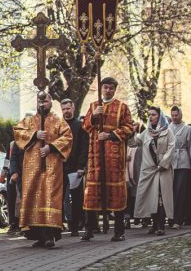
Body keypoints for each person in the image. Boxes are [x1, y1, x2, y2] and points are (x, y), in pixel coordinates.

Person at [13, 90, 73, 247]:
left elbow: (67, 138)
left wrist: (51, 147)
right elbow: (18, 133)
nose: (42, 104)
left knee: (50, 198)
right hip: (32, 167)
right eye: (40, 101)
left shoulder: (59, 121)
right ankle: (38, 235)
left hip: (52, 167)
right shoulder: (29, 120)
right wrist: (34, 135)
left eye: (45, 101)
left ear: (51, 101)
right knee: (34, 197)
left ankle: (50, 236)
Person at [81, 76, 135, 241]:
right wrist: (93, 116)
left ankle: (119, 231)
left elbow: (129, 127)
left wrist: (111, 134)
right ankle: (90, 229)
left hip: (114, 158)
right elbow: (86, 127)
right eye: (105, 87)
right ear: (101, 89)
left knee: (116, 193)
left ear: (114, 89)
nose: (108, 90)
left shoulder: (122, 107)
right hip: (96, 156)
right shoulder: (93, 106)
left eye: (111, 88)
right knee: (92, 192)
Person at [133, 106, 174, 234]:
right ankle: (154, 224)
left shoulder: (168, 132)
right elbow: (133, 142)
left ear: (159, 116)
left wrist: (163, 163)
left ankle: (161, 225)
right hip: (149, 170)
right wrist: (130, 132)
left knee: (161, 197)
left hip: (162, 169)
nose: (151, 117)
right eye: (149, 114)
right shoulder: (146, 132)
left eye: (154, 114)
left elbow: (171, 148)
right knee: (151, 197)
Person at [60, 98, 88, 236]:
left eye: (68, 108)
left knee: (76, 198)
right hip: (60, 166)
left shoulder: (80, 126)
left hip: (75, 166)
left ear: (73, 108)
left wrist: (81, 166)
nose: (66, 111)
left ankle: (76, 226)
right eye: (64, 109)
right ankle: (62, 224)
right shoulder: (58, 125)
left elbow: (84, 147)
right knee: (60, 197)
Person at [168, 105, 191, 228]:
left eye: (176, 115)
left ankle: (178, 219)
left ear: (180, 115)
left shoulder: (187, 128)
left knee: (180, 191)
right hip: (170, 162)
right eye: (172, 115)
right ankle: (171, 217)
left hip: (183, 162)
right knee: (170, 191)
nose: (174, 117)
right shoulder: (168, 128)